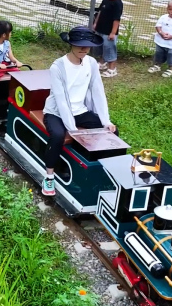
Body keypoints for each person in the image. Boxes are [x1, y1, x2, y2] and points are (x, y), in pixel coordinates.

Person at [41, 26, 116, 197]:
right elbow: (61, 100)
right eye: (79, 44)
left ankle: (101, 171)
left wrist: (106, 121)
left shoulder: (90, 63)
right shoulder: (58, 67)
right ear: (70, 44)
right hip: (56, 112)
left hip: (79, 111)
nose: (84, 48)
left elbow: (98, 91)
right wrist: (72, 128)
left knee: (111, 132)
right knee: (58, 135)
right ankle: (49, 176)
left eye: (87, 45)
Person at [90, 0, 123, 78]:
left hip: (109, 32)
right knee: (100, 47)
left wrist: (113, 33)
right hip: (100, 28)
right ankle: (102, 63)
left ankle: (112, 69)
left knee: (109, 48)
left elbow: (116, 19)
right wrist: (95, 23)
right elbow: (100, 12)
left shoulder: (118, 3)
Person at [148, 0, 172, 78]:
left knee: (171, 55)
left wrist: (171, 36)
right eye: (170, 9)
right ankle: (157, 65)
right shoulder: (163, 17)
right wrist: (161, 33)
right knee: (159, 53)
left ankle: (171, 68)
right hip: (160, 41)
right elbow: (158, 26)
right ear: (167, 9)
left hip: (171, 44)